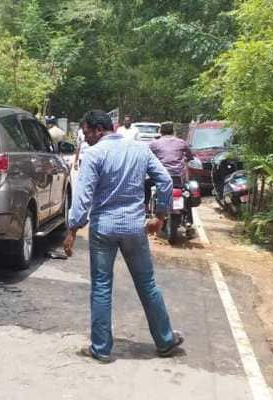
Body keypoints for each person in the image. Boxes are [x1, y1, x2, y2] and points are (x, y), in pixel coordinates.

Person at [63, 110, 184, 363]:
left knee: (101, 287)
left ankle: (101, 348)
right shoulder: (139, 149)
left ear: (98, 129)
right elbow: (165, 181)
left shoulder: (94, 154)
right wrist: (159, 217)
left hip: (103, 229)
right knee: (147, 284)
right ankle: (165, 341)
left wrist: (72, 229)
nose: (86, 139)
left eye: (87, 133)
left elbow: (83, 197)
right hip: (134, 227)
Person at [147, 122, 193, 207]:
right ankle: (189, 216)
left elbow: (145, 156)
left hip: (160, 176)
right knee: (188, 191)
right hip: (178, 177)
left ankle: (145, 207)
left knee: (145, 184)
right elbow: (190, 157)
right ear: (173, 131)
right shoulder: (181, 142)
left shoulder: (154, 143)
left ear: (160, 131)